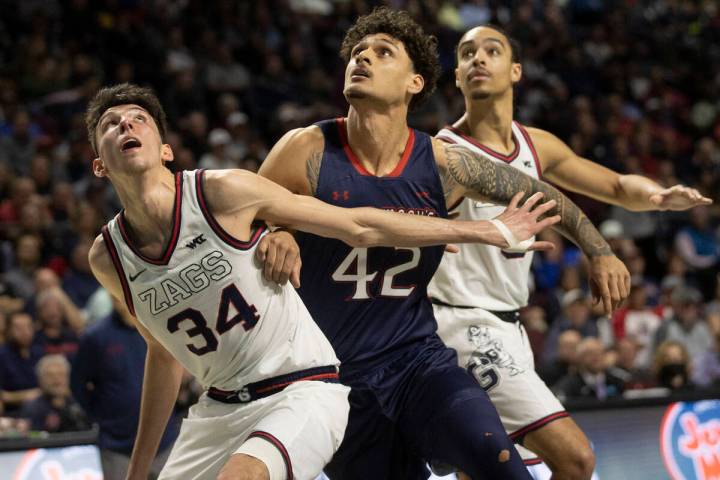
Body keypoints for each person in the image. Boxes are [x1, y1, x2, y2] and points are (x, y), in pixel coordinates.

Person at [84, 82, 557, 480]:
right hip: (219, 409)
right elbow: (164, 353)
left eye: (138, 118)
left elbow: (359, 225)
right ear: (99, 166)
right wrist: (137, 472)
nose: (126, 124)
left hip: (301, 388)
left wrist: (485, 229)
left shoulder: (221, 191)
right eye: (111, 124)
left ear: (166, 149)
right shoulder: (109, 257)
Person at [257, 8, 629, 479]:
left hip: (418, 363)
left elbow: (543, 192)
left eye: (381, 52)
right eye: (357, 52)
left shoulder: (440, 164)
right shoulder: (306, 150)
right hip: (332, 379)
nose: (362, 59)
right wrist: (278, 231)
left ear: (415, 82)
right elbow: (235, 219)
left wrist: (600, 250)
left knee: (503, 468)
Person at [427, 24, 712, 479]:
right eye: (466, 54)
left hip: (510, 325)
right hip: (460, 322)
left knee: (483, 469)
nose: (478, 59)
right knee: (576, 461)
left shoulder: (537, 145)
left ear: (516, 71)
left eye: (491, 50)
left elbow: (618, 185)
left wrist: (657, 196)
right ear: (457, 76)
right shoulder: (446, 152)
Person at [71, 298, 180, 480]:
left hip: (164, 440)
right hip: (117, 445)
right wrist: (100, 416)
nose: (119, 298)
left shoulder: (157, 327)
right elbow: (77, 384)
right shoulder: (95, 336)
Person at [19, 354, 89, 433]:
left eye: (61, 374)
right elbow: (31, 436)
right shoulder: (33, 408)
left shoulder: (79, 404)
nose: (56, 379)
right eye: (50, 375)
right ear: (40, 380)